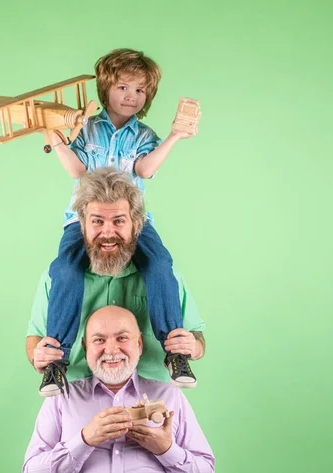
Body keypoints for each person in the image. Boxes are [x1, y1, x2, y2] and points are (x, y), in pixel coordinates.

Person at [40, 48, 199, 396]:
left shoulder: (142, 135)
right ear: (106, 89)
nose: (131, 96)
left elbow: (145, 169)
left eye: (140, 91)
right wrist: (53, 137)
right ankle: (56, 360)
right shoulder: (86, 129)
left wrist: (174, 136)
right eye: (123, 87)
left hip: (132, 222)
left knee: (159, 265)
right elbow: (77, 171)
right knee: (65, 269)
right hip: (86, 221)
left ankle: (175, 352)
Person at [28, 168, 205, 396]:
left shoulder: (164, 275)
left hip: (153, 396)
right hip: (75, 395)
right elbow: (34, 336)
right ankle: (57, 367)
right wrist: (38, 355)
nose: (107, 232)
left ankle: (175, 359)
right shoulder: (58, 277)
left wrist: (194, 347)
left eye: (119, 221)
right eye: (97, 221)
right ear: (82, 225)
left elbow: (197, 335)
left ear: (137, 224)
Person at [23, 305, 215, 472]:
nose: (112, 350)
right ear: (85, 347)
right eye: (99, 340)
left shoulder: (168, 394)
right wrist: (84, 440)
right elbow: (31, 469)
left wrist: (166, 450)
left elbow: (206, 468)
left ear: (139, 344)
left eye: (122, 338)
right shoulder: (62, 397)